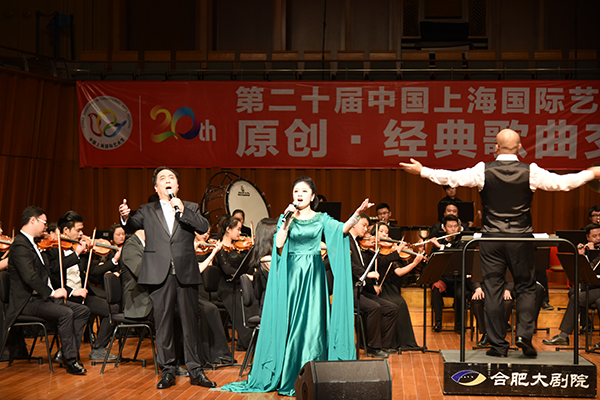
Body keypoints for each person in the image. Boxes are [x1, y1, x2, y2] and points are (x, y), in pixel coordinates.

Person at [401, 128, 600, 358]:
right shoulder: (531, 172)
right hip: (520, 239)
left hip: (492, 239)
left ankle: (497, 345)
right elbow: (562, 183)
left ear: (495, 147)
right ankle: (524, 335)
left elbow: (452, 177)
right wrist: (591, 174)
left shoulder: (482, 171)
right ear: (520, 147)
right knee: (526, 287)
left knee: (493, 289)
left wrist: (422, 171)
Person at [222, 176, 373, 396]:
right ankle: (290, 372)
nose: (299, 195)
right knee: (292, 322)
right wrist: (286, 221)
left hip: (313, 274)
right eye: (295, 191)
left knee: (313, 322)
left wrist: (357, 214)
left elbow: (341, 230)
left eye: (303, 191)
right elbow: (279, 244)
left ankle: (312, 373)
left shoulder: (321, 218)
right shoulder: (287, 217)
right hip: (292, 275)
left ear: (312, 196)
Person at [118, 166, 216, 389]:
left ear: (177, 185)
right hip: (158, 272)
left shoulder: (190, 207)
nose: (167, 180)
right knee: (163, 324)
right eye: (163, 178)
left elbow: (203, 227)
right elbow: (132, 224)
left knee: (190, 323)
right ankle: (168, 370)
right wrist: (124, 216)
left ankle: (195, 370)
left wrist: (183, 210)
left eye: (171, 177)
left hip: (185, 272)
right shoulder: (147, 210)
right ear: (156, 187)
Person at [3, 206, 89, 375]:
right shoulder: (19, 245)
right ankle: (71, 360)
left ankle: (64, 352)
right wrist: (52, 292)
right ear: (32, 220)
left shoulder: (35, 244)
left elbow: (51, 270)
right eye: (44, 223)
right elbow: (30, 277)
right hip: (27, 302)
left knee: (82, 311)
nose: (46, 227)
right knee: (66, 313)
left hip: (40, 299)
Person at [46, 210, 118, 361]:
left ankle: (99, 349)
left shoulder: (79, 248)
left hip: (83, 294)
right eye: (78, 230)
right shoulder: (52, 249)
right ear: (66, 230)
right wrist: (72, 291)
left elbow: (92, 274)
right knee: (80, 312)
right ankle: (67, 352)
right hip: (64, 296)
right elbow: (53, 274)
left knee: (112, 309)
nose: (81, 234)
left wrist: (93, 254)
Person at [348, 214, 399, 357]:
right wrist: (366, 274)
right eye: (363, 225)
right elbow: (348, 264)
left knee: (392, 308)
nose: (366, 229)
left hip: (362, 291)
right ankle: (373, 348)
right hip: (351, 292)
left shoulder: (358, 243)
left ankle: (383, 345)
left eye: (366, 226)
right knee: (374, 308)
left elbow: (369, 263)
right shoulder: (346, 241)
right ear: (353, 224)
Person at [543, 224, 600, 348]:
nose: (598, 239)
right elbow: (589, 271)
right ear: (588, 237)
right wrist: (582, 255)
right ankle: (563, 336)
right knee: (576, 297)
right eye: (595, 236)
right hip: (596, 287)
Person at [370, 222, 423, 350]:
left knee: (401, 303)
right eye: (381, 231)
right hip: (374, 287)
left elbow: (398, 272)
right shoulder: (371, 251)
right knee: (394, 304)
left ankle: (403, 342)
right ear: (374, 234)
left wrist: (414, 263)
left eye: (387, 232)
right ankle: (389, 342)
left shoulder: (390, 252)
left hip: (388, 288)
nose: (385, 235)